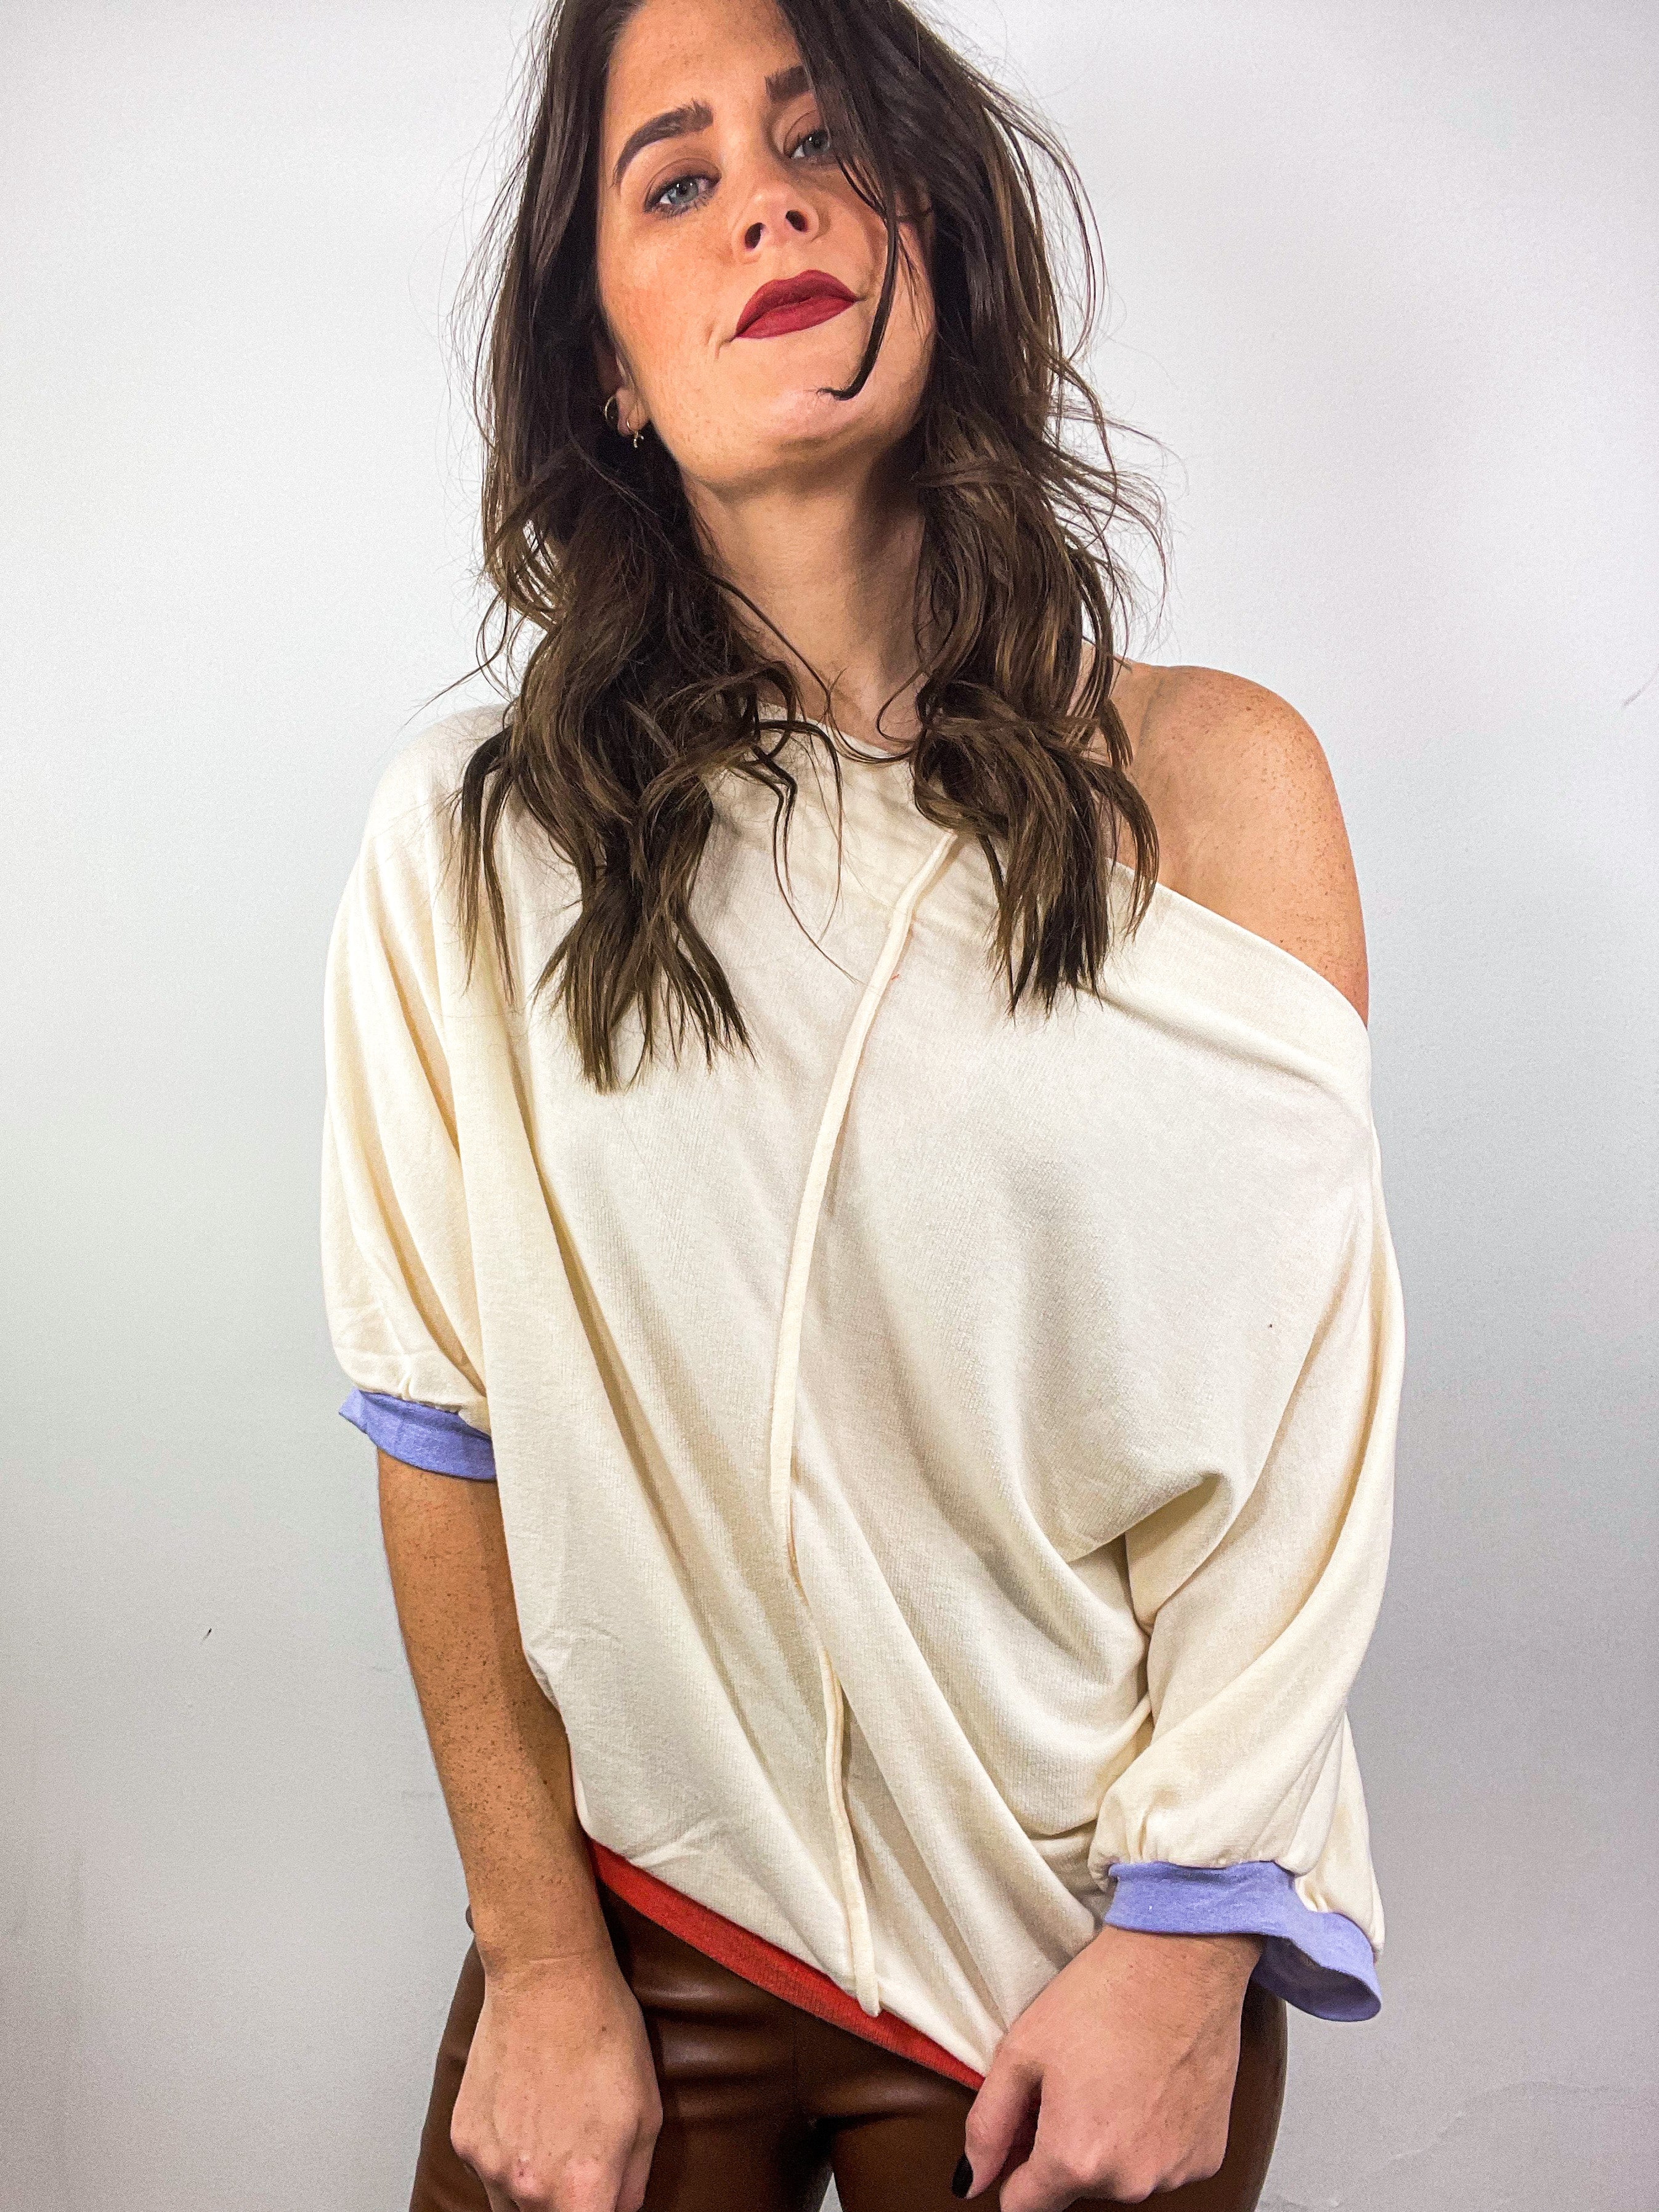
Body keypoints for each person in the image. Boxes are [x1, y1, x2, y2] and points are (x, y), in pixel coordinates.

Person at [320, 0, 1403, 2206]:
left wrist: (1186, 1956)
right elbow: (444, 1432)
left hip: (1065, 1951)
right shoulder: (473, 841)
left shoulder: (1218, 788)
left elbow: (1300, 1455)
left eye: (824, 145)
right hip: (643, 1920)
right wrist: (537, 1960)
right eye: (679, 178)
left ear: (941, 232)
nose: (768, 206)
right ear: (610, 368)